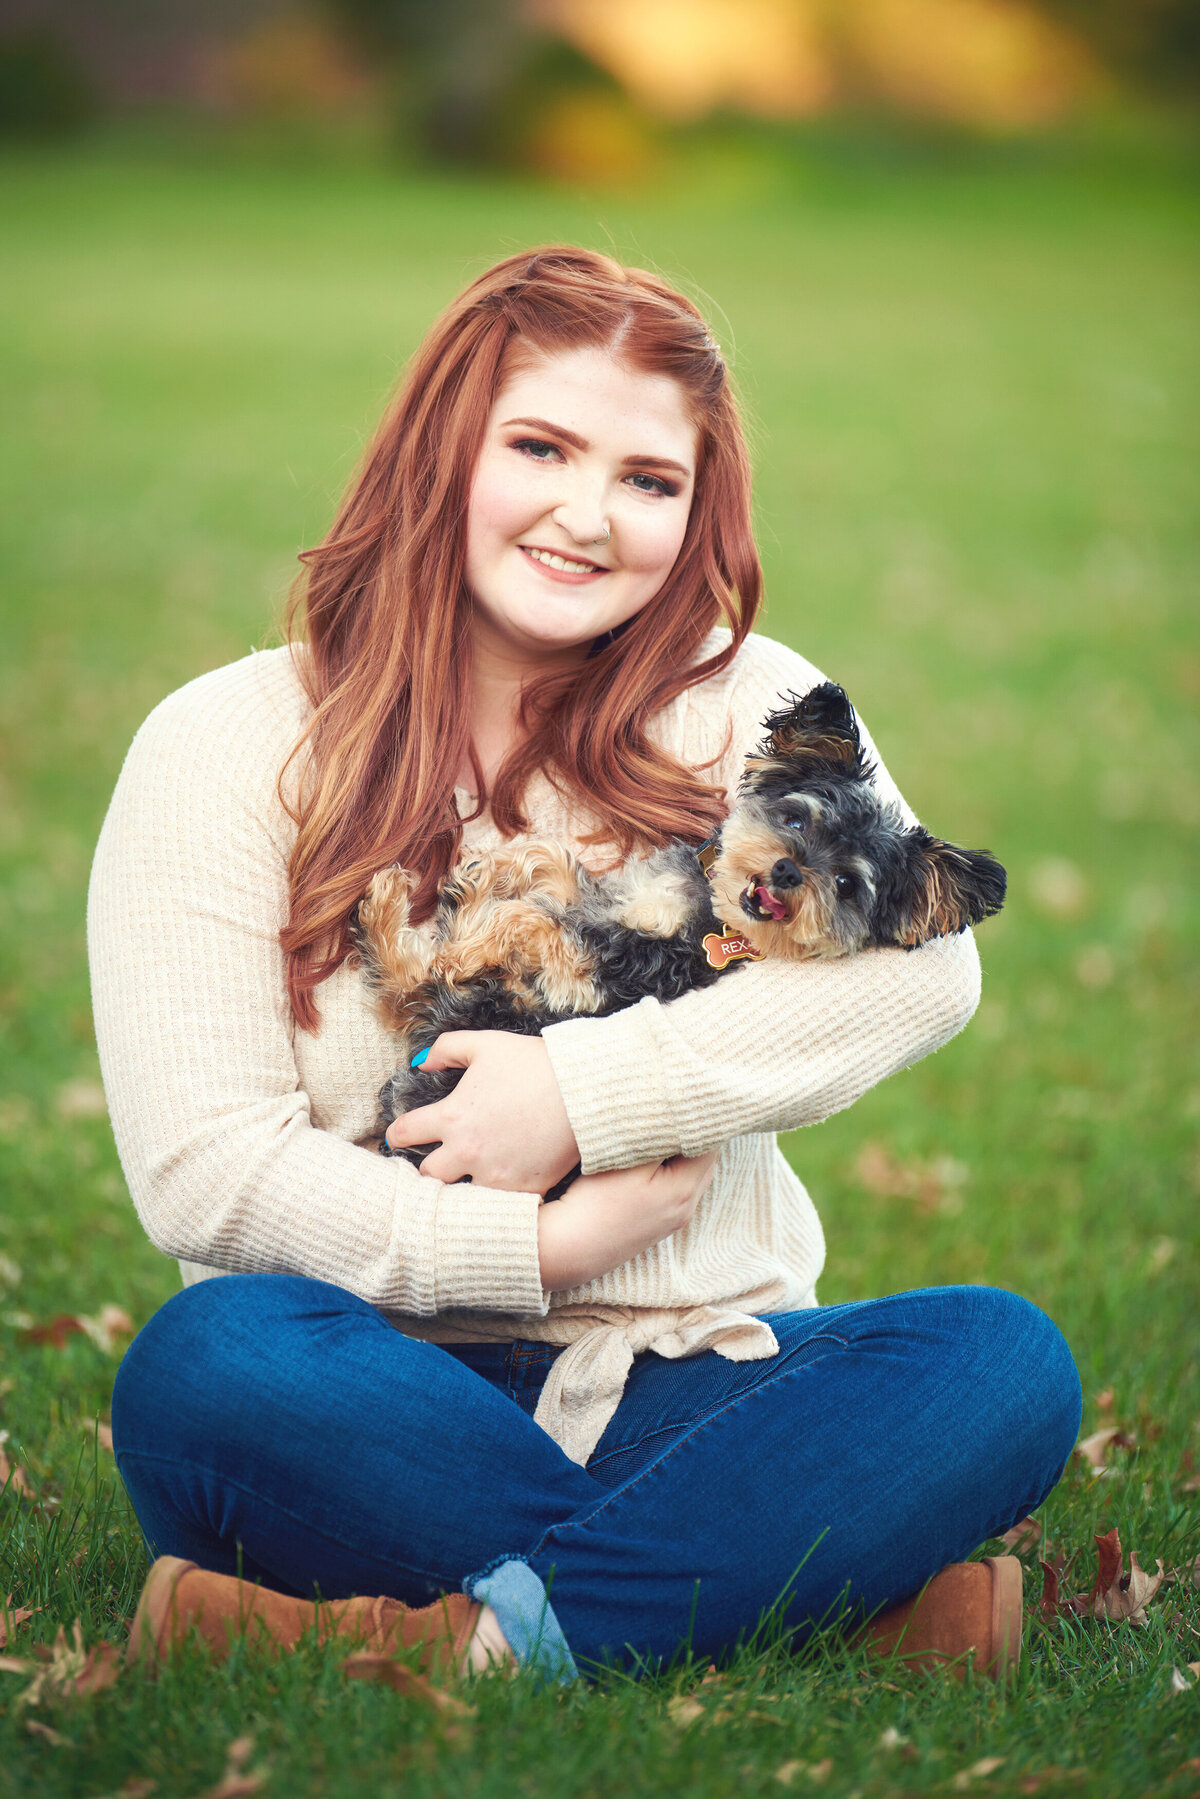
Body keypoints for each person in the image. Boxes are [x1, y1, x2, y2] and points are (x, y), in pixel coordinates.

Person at [92, 247, 1081, 1683]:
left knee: (997, 1367)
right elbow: (205, 1171)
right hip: (362, 1390)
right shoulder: (224, 743)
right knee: (209, 1367)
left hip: (686, 1380)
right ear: (445, 454)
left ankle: (473, 1646)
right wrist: (529, 1250)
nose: (586, 516)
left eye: (647, 479)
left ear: (695, 510)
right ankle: (805, 1606)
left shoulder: (749, 703)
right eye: (540, 447)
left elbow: (924, 971)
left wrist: (587, 1094)